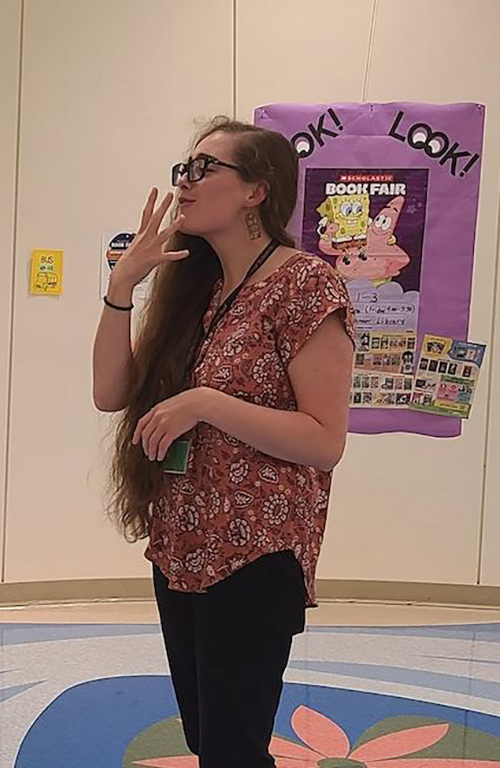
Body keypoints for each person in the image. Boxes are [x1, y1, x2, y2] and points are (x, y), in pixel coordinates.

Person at [92, 117, 355, 768]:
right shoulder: (199, 291)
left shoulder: (303, 283)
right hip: (182, 541)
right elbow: (109, 392)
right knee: (206, 740)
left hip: (256, 556)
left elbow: (324, 441)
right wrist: (123, 287)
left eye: (205, 168)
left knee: (232, 751)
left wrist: (207, 404)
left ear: (255, 192)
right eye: (184, 168)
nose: (186, 182)